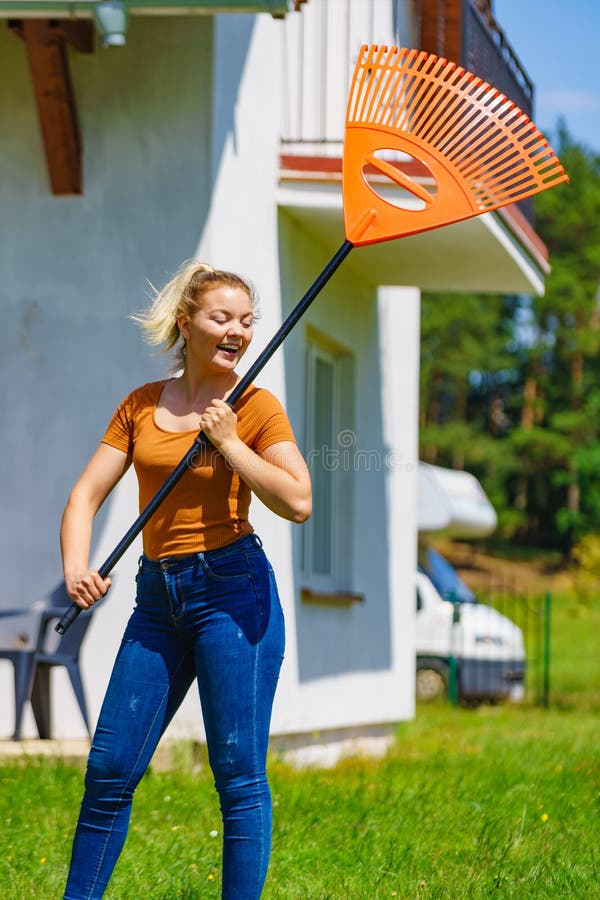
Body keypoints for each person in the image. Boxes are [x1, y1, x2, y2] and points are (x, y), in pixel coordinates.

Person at [60, 261, 312, 899]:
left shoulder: (254, 406)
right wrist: (77, 568)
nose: (238, 331)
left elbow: (298, 499)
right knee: (110, 769)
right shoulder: (142, 405)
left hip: (234, 592)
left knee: (237, 775)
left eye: (247, 321)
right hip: (155, 600)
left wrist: (230, 443)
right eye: (221, 317)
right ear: (186, 323)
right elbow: (85, 496)